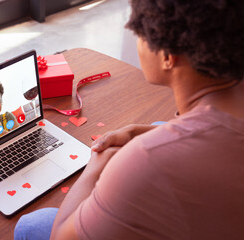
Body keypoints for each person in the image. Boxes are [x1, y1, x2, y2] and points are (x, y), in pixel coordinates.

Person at [14, 0, 244, 239]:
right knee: (157, 127)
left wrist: (94, 169)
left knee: (33, 225)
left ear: (167, 56)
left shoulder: (145, 159)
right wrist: (139, 133)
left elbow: (60, 237)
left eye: (140, 36)